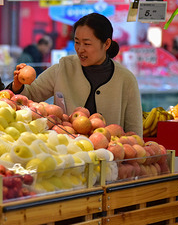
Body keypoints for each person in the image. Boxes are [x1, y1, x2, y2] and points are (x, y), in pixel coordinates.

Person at [10, 13, 143, 137]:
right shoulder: (63, 68)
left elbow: (134, 132)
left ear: (106, 44)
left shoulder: (126, 79)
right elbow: (31, 94)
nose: (80, 49)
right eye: (77, 42)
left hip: (109, 156)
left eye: (87, 43)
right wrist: (17, 85)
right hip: (66, 152)